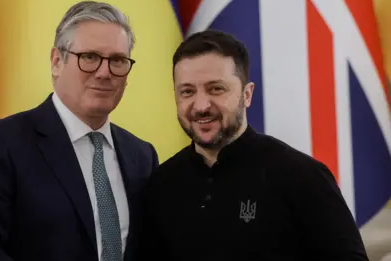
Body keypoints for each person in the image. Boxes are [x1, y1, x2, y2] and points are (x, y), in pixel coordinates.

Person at [0, 0, 159, 261]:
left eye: (118, 60)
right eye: (89, 57)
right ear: (56, 61)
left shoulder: (141, 156)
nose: (104, 72)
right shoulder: (0, 145)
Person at [139, 30, 369, 261]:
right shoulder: (161, 185)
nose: (201, 106)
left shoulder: (303, 177)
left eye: (216, 89)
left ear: (247, 95)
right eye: (187, 92)